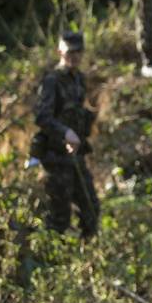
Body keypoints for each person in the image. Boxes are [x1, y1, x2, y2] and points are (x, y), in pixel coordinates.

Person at [32, 31, 100, 238]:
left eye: (78, 52)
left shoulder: (79, 78)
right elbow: (42, 117)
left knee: (91, 209)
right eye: (70, 52)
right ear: (60, 51)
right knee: (58, 218)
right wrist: (66, 132)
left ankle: (86, 260)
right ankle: (50, 263)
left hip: (75, 156)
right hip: (56, 158)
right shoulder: (52, 80)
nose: (74, 56)